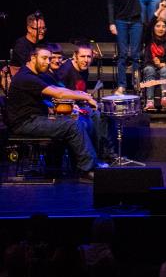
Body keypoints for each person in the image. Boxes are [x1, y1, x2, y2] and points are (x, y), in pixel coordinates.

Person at [5, 44, 102, 179]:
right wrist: (85, 96)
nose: (47, 62)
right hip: (25, 123)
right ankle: (87, 170)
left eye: (49, 59)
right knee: (73, 125)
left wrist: (79, 93)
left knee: (80, 120)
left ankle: (81, 165)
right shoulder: (26, 77)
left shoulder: (37, 75)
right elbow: (58, 94)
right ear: (33, 58)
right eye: (44, 58)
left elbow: (58, 88)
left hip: (37, 119)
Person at [106, 0, 142, 95]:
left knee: (135, 54)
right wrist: (111, 23)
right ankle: (122, 85)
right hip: (120, 20)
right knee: (122, 54)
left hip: (136, 20)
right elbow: (110, 4)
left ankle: (136, 83)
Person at [140, 16, 166, 111]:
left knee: (164, 70)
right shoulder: (148, 39)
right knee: (150, 70)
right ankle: (150, 101)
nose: (161, 29)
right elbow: (148, 26)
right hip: (149, 66)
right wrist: (158, 12)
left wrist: (164, 64)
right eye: (158, 26)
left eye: (163, 26)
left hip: (163, 67)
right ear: (153, 27)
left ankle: (165, 98)